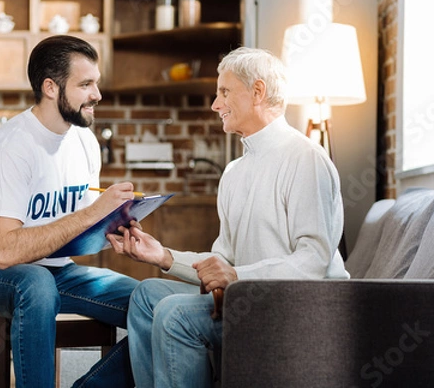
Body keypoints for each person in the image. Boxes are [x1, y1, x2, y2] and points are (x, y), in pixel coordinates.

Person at [107, 47, 350, 388]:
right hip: (248, 299)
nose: (215, 105)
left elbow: (312, 261)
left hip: (296, 307)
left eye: (224, 92)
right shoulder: (235, 172)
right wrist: (163, 256)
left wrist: (235, 274)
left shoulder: (305, 158)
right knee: (147, 295)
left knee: (175, 314)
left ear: (258, 92)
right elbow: (222, 262)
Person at [0, 35, 139, 388]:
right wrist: (90, 214)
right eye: (86, 84)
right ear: (51, 88)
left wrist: (111, 224)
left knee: (154, 304)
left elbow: (72, 230)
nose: (97, 94)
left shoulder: (84, 142)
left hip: (57, 271)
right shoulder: (11, 147)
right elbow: (5, 252)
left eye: (96, 83)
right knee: (35, 285)